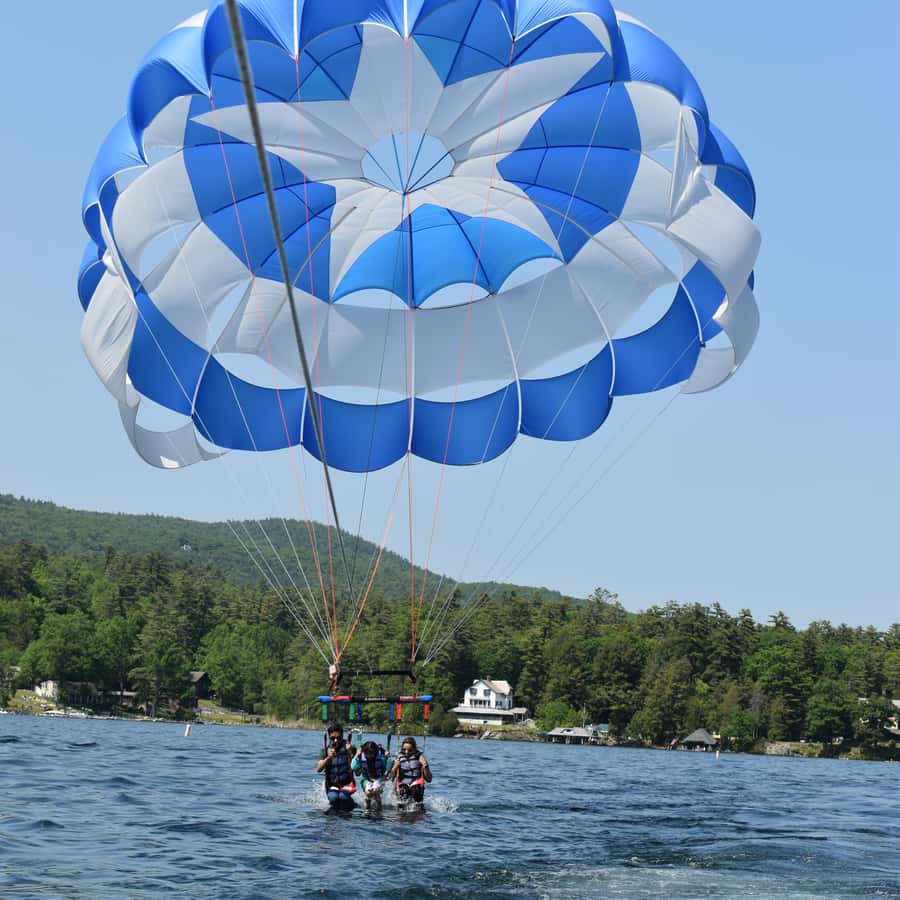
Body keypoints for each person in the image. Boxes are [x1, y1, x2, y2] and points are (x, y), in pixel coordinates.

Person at [316, 723, 356, 808]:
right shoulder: (325, 750)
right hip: (332, 785)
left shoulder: (350, 748)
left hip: (347, 783)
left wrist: (349, 753)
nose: (335, 740)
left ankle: (352, 805)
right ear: (329, 737)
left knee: (343, 798)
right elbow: (318, 769)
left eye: (338, 738)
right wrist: (328, 758)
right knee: (334, 799)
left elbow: (357, 769)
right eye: (332, 738)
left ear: (342, 736)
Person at [387, 736, 432, 805]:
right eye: (404, 749)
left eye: (410, 750)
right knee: (403, 793)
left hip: (416, 785)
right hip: (402, 784)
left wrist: (425, 765)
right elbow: (389, 778)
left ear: (414, 749)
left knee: (415, 791)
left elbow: (429, 779)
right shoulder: (398, 758)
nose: (406, 752)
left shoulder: (419, 757)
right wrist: (394, 767)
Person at [352, 740, 390, 811]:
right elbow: (353, 766)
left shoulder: (381, 758)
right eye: (367, 753)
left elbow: (388, 766)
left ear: (375, 752)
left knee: (375, 790)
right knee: (369, 792)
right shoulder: (360, 757)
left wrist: (387, 757)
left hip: (379, 779)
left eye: (371, 753)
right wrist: (357, 755)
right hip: (366, 780)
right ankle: (367, 808)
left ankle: (379, 807)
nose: (369, 756)